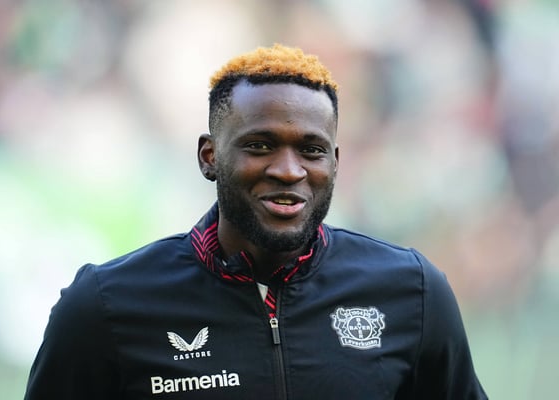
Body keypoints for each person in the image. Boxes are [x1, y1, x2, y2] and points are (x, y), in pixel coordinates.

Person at [25, 44, 487, 399]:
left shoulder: (412, 291)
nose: (288, 170)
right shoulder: (105, 306)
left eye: (311, 150)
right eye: (260, 145)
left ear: (335, 163)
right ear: (209, 157)